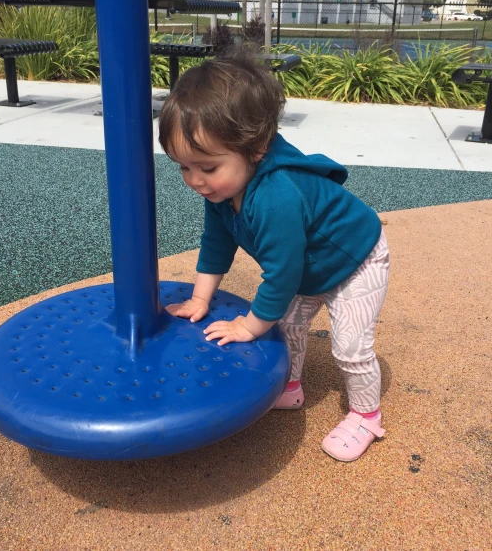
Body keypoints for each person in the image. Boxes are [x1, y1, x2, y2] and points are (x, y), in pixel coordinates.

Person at [157, 54, 390, 462]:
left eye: (207, 167)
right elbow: (216, 243)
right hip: (309, 265)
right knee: (287, 327)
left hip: (355, 261)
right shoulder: (223, 188)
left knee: (349, 347)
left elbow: (281, 275)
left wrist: (249, 326)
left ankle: (366, 415)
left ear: (257, 148)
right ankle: (291, 387)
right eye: (183, 168)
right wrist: (199, 298)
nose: (195, 181)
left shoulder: (276, 196)